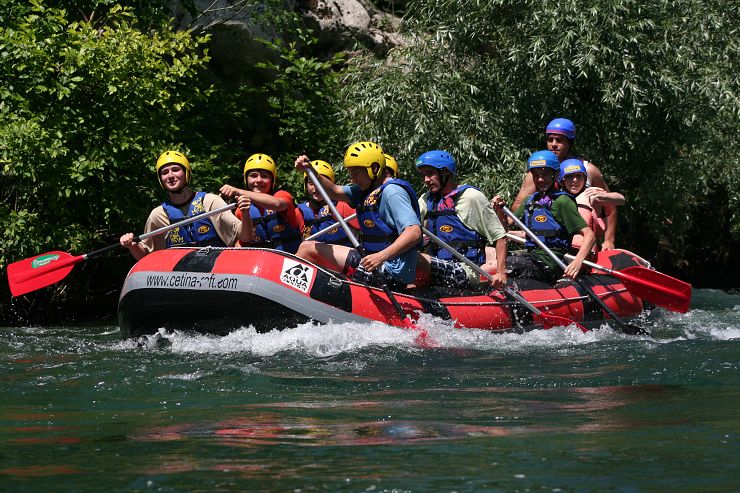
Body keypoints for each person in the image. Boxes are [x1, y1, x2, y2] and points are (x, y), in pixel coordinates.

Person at [294, 141, 422, 289]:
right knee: (308, 248)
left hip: (389, 270)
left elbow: (414, 232)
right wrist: (311, 170)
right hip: (374, 261)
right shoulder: (365, 191)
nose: (352, 178)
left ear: (374, 169)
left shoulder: (392, 192)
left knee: (307, 248)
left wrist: (380, 257)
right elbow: (334, 190)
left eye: (355, 173)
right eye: (350, 173)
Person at [119, 150, 251, 260]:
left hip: (217, 271)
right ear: (161, 180)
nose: (170, 176)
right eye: (165, 172)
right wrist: (132, 245)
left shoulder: (210, 202)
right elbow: (145, 256)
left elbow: (245, 236)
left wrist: (245, 213)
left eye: (175, 170)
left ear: (186, 173)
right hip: (181, 277)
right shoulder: (158, 215)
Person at [510, 118, 618, 249]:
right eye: (550, 140)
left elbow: (611, 205)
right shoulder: (536, 174)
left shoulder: (588, 170)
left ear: (570, 143)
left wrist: (609, 240)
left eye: (559, 140)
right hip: (552, 241)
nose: (553, 144)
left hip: (584, 239)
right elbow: (517, 208)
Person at [492, 150, 595, 283]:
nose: (540, 179)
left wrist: (577, 262)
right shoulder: (531, 201)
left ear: (555, 174)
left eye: (545, 174)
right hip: (531, 256)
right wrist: (500, 211)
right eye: (536, 175)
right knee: (491, 257)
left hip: (551, 262)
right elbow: (504, 227)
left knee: (508, 263)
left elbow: (589, 235)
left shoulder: (562, 201)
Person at [414, 150, 508, 289]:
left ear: (446, 172)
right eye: (423, 175)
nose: (426, 180)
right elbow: (409, 226)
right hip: (438, 265)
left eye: (430, 173)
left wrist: (501, 273)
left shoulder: (471, 197)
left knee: (414, 260)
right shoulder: (426, 199)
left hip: (467, 270)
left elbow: (500, 237)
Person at [219, 153, 304, 253]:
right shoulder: (241, 209)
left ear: (272, 181)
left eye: (264, 176)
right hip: (259, 260)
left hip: (289, 257)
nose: (259, 180)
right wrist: (245, 213)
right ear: (246, 179)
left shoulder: (282, 195)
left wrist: (238, 191)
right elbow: (243, 241)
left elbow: (277, 204)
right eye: (253, 176)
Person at [559, 158, 625, 252]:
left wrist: (603, 196)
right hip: (565, 247)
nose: (574, 180)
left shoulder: (591, 194)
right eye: (569, 176)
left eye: (578, 176)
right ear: (562, 181)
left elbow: (621, 199)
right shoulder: (558, 198)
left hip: (589, 246)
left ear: (585, 178)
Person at [297, 160, 359, 245]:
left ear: (329, 185)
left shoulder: (341, 205)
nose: (316, 188)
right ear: (306, 186)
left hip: (341, 252)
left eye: (320, 183)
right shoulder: (299, 212)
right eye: (311, 183)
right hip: (311, 253)